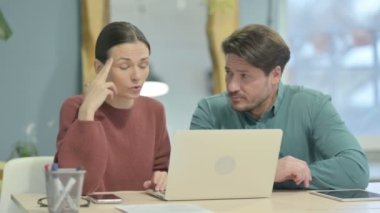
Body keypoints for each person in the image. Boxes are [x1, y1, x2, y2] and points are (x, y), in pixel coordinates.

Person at [190, 24, 369, 190]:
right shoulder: (209, 110)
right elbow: (191, 176)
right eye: (229, 73)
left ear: (275, 75)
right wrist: (268, 172)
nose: (231, 86)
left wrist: (291, 174)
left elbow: (355, 170)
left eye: (244, 76)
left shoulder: (313, 105)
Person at [55, 21, 170, 194]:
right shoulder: (74, 107)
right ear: (100, 68)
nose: (137, 76)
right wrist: (87, 112)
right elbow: (75, 187)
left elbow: (163, 167)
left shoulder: (155, 110)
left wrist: (163, 177)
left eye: (143, 65)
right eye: (124, 66)